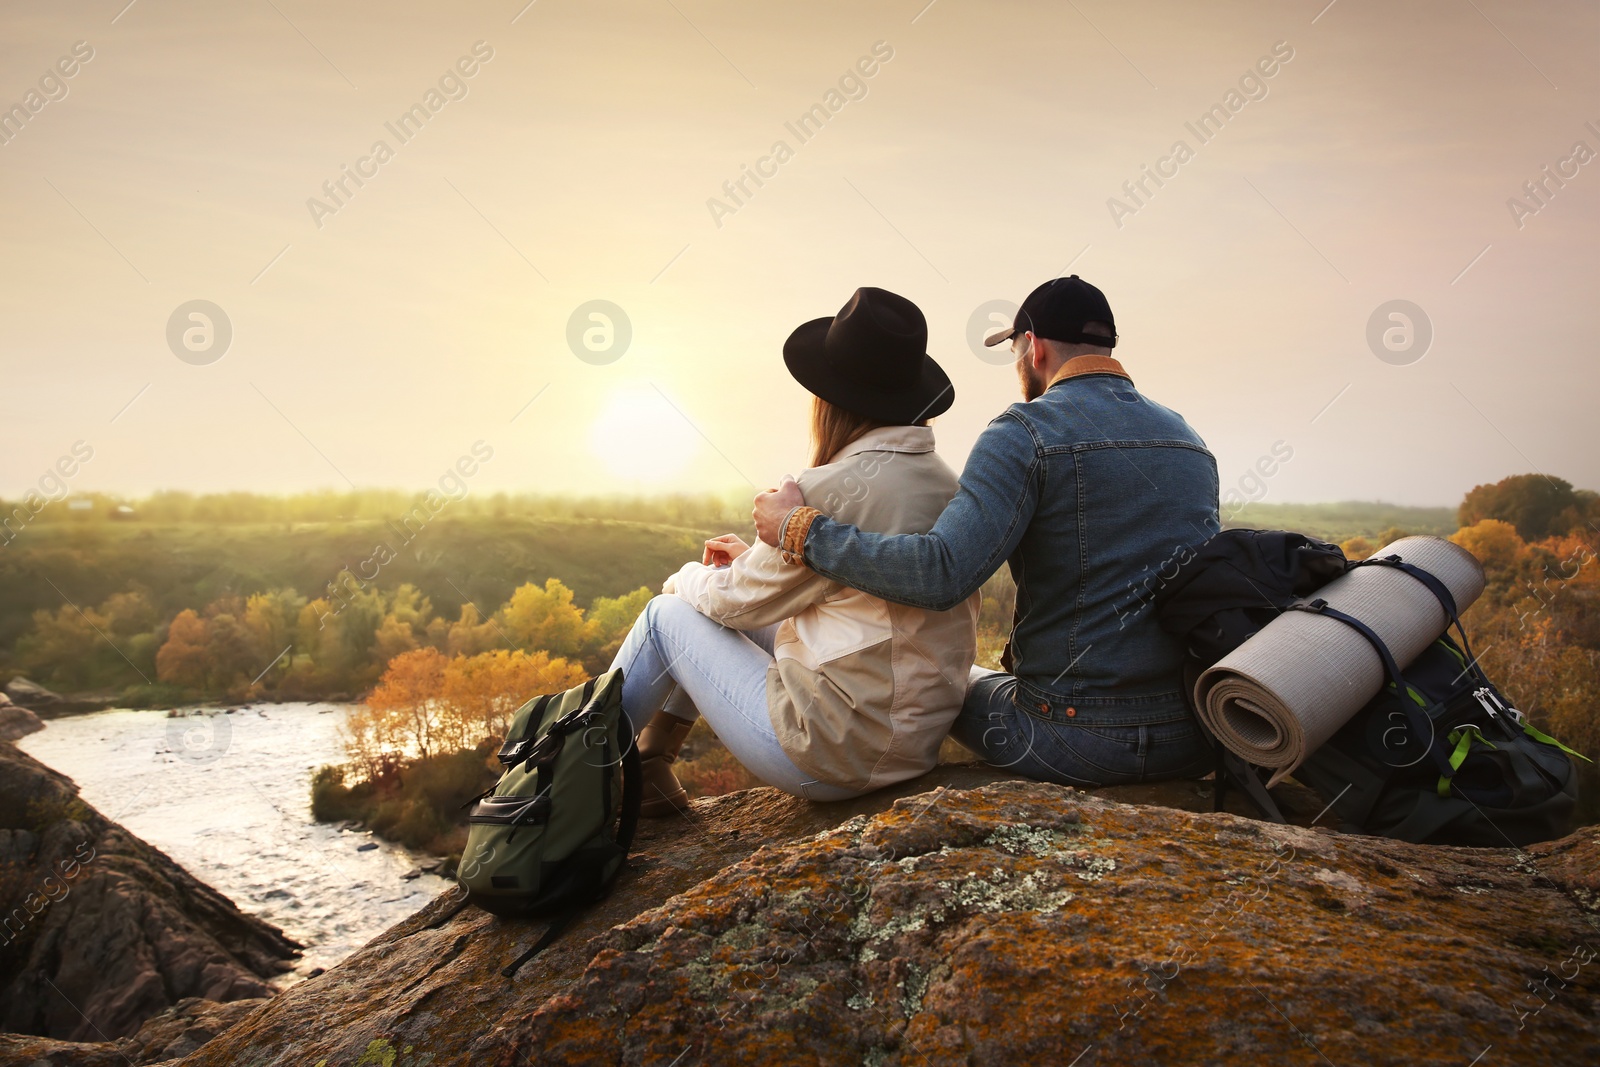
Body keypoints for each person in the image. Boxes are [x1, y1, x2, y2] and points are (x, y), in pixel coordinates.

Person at [752, 276, 1220, 787]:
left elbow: (942, 574)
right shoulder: (1188, 439)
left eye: (1015, 349)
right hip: (1191, 735)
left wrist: (797, 529)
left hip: (1073, 736)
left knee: (944, 686)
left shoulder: (1026, 432)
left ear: (1033, 347)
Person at [612, 286, 980, 815]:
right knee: (713, 605)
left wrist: (685, 578)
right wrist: (751, 564)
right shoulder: (948, 484)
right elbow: (847, 598)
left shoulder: (832, 488)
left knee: (666, 617)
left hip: (833, 751)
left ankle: (573, 777)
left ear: (830, 401)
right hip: (911, 742)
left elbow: (730, 604)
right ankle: (646, 770)